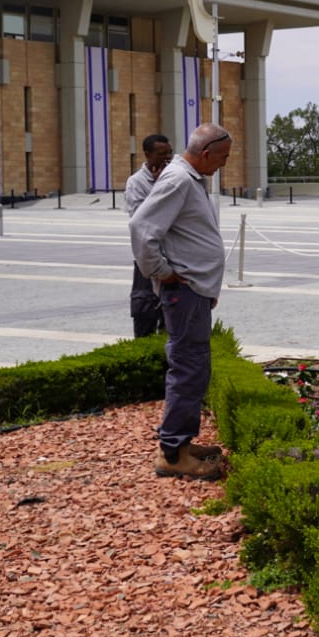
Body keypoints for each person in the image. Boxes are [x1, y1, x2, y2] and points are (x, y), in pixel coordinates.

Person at [129, 123, 232, 480]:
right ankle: (173, 454)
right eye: (222, 158)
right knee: (188, 367)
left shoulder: (189, 178)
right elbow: (142, 228)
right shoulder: (177, 180)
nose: (223, 166)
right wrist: (162, 272)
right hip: (183, 292)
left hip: (193, 290)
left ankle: (181, 444)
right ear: (205, 154)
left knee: (194, 366)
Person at [124, 133, 173, 338]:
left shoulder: (175, 177)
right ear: (147, 154)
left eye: (169, 153)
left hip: (173, 256)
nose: (167, 158)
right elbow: (141, 219)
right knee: (145, 310)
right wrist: (157, 186)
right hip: (147, 259)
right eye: (161, 153)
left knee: (172, 315)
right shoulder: (136, 182)